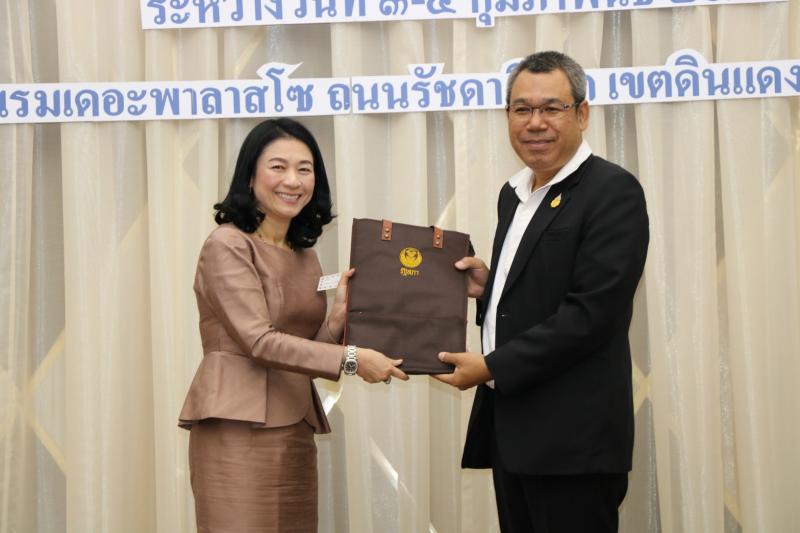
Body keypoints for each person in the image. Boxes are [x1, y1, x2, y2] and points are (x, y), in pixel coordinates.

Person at [434, 51, 649, 532]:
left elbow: (592, 314)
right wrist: (489, 287)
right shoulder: (513, 195)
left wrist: (492, 366)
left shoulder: (612, 191)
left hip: (574, 444)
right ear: (507, 115)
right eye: (522, 109)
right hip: (514, 434)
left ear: (582, 113)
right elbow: (540, 287)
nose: (535, 123)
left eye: (551, 108)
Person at [178, 118, 408, 533]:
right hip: (237, 427)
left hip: (294, 426)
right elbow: (259, 342)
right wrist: (353, 359)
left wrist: (336, 321)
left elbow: (301, 348)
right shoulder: (227, 244)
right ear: (250, 177)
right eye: (278, 167)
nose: (293, 180)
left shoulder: (305, 255)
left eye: (305, 169)